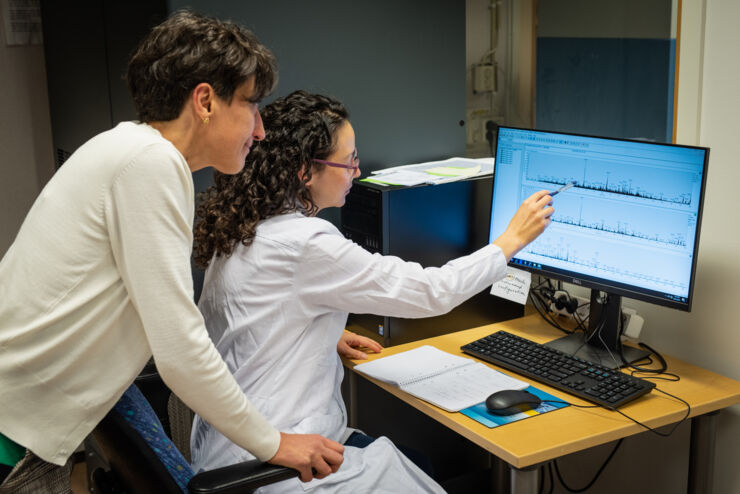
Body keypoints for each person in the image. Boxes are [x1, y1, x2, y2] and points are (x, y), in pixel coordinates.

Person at [0, 12, 345, 493]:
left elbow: (158, 314)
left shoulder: (130, 150)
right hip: (13, 433)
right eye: (251, 105)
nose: (261, 129)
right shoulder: (151, 164)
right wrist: (274, 443)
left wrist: (313, 328)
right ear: (205, 101)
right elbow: (178, 346)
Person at [190, 90, 554, 492]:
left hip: (226, 448)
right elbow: (432, 292)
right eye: (348, 162)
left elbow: (244, 320)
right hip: (275, 465)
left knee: (416, 465)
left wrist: (321, 333)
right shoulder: (306, 243)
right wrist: (509, 242)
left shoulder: (244, 225)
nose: (357, 173)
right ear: (304, 172)